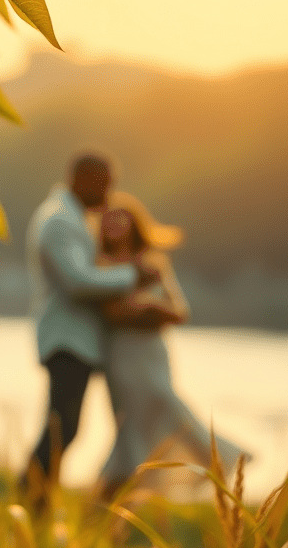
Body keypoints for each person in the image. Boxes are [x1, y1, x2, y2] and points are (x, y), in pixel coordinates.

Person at [19, 152, 165, 514]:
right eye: (104, 184)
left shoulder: (71, 217)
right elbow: (77, 281)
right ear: (80, 180)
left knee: (64, 428)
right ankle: (30, 498)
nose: (109, 193)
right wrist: (133, 276)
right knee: (62, 428)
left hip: (74, 340)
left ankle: (36, 501)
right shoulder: (59, 220)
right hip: (67, 339)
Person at [96, 192, 246, 500]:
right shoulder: (100, 265)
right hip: (122, 354)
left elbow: (179, 310)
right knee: (131, 420)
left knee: (165, 405)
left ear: (134, 224)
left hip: (152, 352)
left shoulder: (154, 265)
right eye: (108, 220)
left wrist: (145, 310)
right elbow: (111, 314)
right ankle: (121, 486)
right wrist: (145, 310)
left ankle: (213, 461)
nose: (114, 224)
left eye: (120, 218)